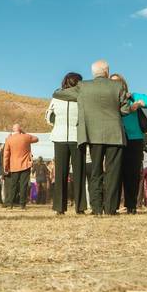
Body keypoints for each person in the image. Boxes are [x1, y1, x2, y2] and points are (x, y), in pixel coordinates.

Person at [52, 60, 130, 216]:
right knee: (113, 172)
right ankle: (110, 208)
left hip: (92, 134)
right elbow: (125, 110)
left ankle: (96, 208)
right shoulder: (118, 86)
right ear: (107, 72)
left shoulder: (84, 87)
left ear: (93, 72)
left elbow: (57, 93)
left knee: (95, 171)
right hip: (114, 134)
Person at [110, 73, 147, 215]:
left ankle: (131, 205)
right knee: (116, 173)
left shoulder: (132, 96)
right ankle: (114, 205)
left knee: (132, 174)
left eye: (118, 82)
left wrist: (140, 102)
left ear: (123, 84)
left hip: (135, 139)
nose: (115, 85)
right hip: (115, 138)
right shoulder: (108, 99)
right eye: (112, 83)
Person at [46, 72, 87, 215]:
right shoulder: (83, 97)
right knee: (79, 173)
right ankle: (80, 207)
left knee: (61, 173)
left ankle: (59, 208)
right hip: (78, 137)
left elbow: (49, 116)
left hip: (59, 136)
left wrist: (56, 122)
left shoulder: (56, 97)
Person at [3, 124, 37, 209]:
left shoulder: (9, 139)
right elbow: (36, 139)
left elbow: (6, 154)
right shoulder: (26, 137)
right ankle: (22, 204)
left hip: (14, 165)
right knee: (24, 185)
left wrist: (5, 167)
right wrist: (24, 133)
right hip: (25, 165)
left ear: (13, 130)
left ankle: (10, 203)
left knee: (13, 185)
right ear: (20, 129)